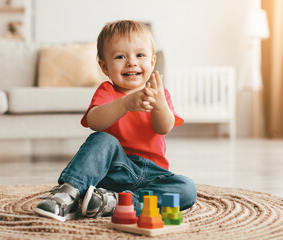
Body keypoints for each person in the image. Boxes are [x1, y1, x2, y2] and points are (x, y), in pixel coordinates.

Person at [34, 20, 197, 222]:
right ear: (105, 67)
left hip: (151, 175)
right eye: (120, 56)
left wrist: (159, 104)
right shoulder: (107, 91)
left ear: (152, 62)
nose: (131, 62)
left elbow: (163, 127)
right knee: (102, 138)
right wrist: (125, 103)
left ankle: (114, 203)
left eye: (140, 55)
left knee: (186, 188)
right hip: (114, 170)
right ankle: (67, 193)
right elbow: (95, 121)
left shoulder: (160, 94)